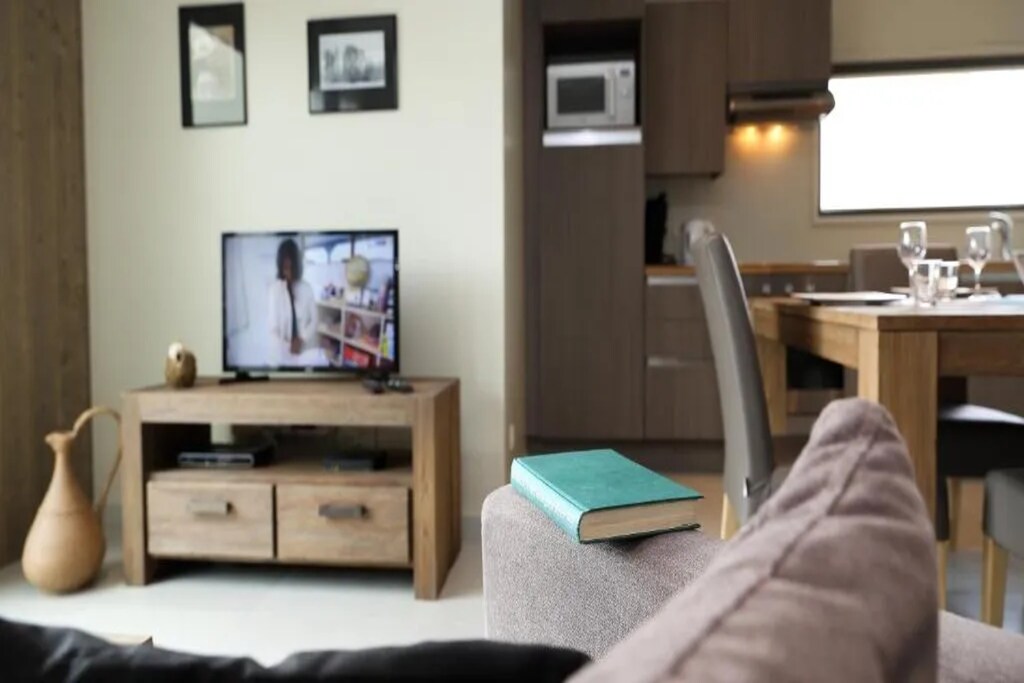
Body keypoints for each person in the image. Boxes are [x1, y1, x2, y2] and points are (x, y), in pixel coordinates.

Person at [268, 239, 317, 361]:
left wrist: (302, 338)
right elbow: (273, 328)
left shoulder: (307, 288)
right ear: (280, 266)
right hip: (281, 352)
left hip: (303, 349)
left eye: (291, 268)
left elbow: (314, 320)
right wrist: (286, 347)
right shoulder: (274, 290)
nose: (289, 273)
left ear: (297, 266)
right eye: (285, 268)